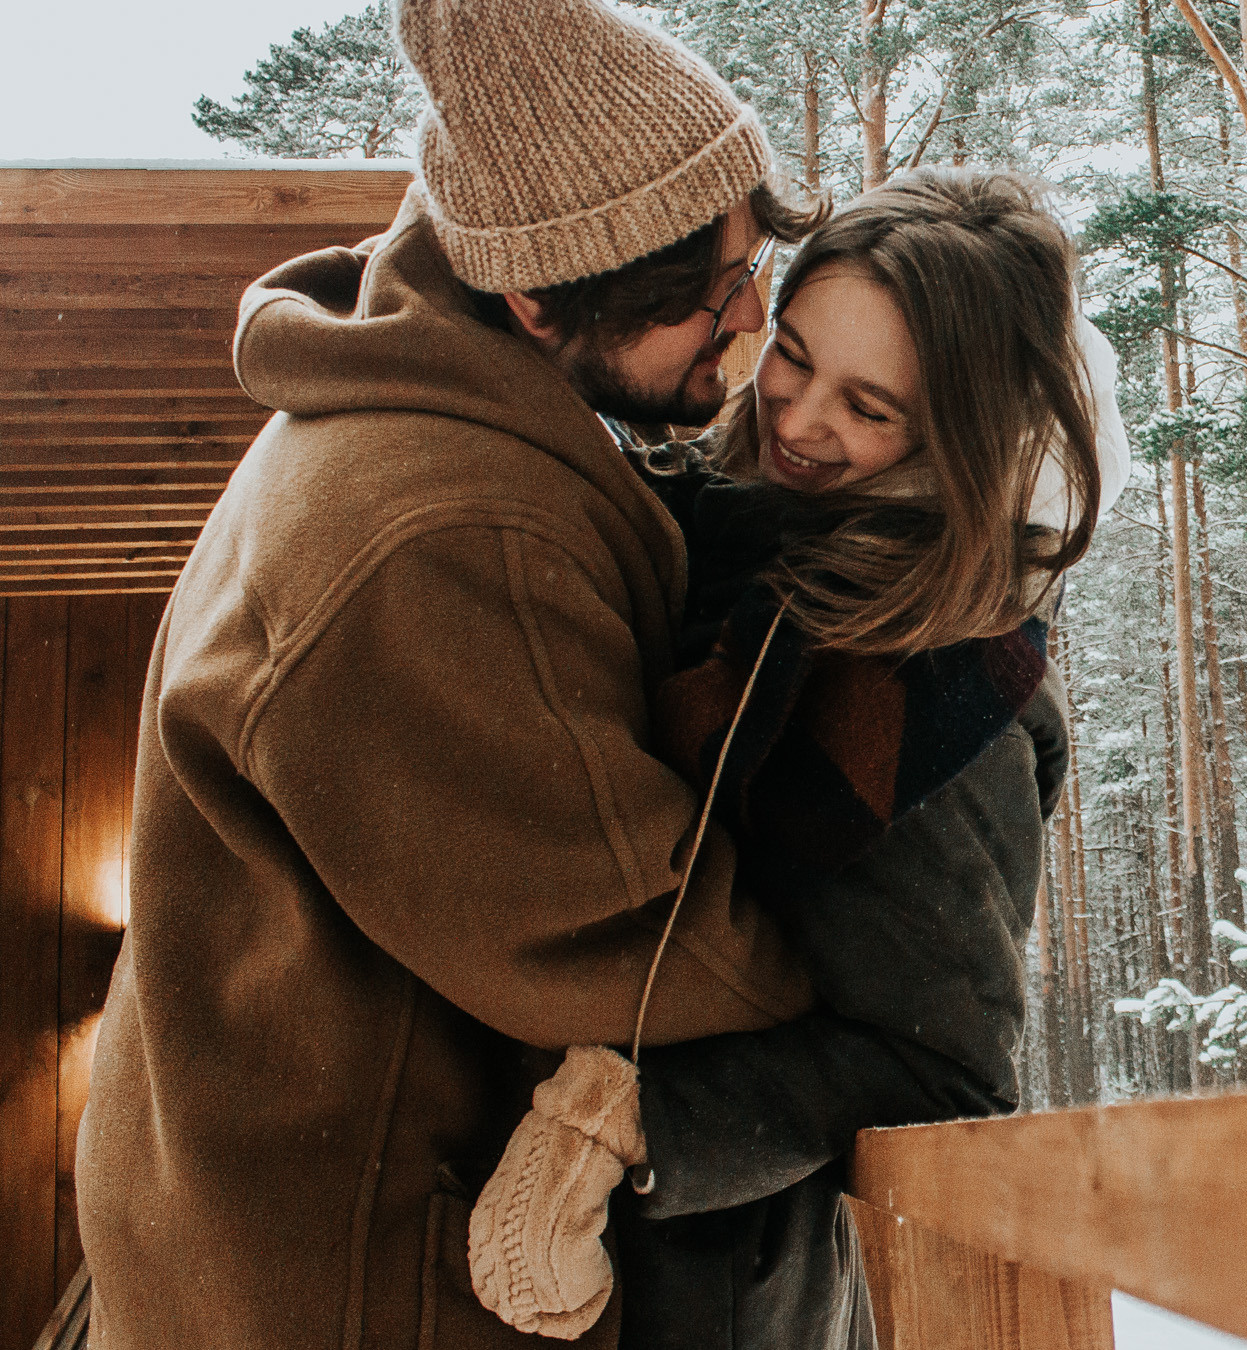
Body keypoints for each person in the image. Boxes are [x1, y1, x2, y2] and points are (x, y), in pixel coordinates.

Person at [73, 1, 826, 1346]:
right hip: (353, 1278)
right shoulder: (440, 535)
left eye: (754, 264)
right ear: (537, 298)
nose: (752, 322)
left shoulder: (427, 396)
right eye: (708, 302)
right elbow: (630, 938)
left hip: (266, 1230)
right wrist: (887, 993)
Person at [464, 168, 1129, 1349]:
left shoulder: (931, 682)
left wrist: (633, 1120)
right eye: (795, 353)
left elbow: (948, 1073)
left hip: (707, 1288)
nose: (802, 419)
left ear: (960, 436)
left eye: (871, 408)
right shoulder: (728, 533)